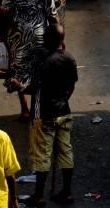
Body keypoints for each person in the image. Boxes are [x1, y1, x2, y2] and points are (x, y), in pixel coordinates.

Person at [3, 0, 59, 118]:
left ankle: (25, 109)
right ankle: (37, 105)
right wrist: (59, 37)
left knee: (19, 71)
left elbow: (4, 10)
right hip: (39, 35)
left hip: (18, 36)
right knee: (38, 71)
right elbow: (52, 14)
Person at [27, 24, 77, 206]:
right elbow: (72, 85)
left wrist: (18, 85)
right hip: (64, 111)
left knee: (42, 155)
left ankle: (39, 195)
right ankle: (67, 192)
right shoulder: (70, 59)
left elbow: (33, 88)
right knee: (65, 152)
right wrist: (63, 99)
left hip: (45, 115)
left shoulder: (44, 62)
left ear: (48, 39)